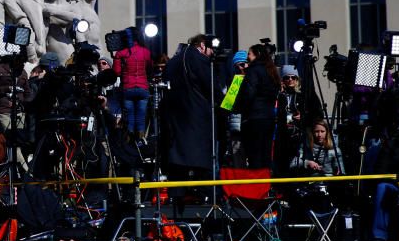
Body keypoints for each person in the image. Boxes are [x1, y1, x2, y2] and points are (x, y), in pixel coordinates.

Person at [163, 35, 223, 186]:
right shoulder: (199, 60)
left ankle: (178, 198)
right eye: (211, 50)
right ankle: (206, 197)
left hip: (174, 120)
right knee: (202, 163)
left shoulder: (174, 60)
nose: (211, 54)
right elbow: (212, 87)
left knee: (178, 166)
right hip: (197, 119)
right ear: (202, 45)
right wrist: (225, 104)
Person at [236, 43, 280, 170]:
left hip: (254, 119)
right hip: (268, 118)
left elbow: (249, 93)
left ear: (257, 55)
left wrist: (239, 107)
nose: (247, 57)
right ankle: (266, 185)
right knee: (266, 155)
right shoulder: (272, 72)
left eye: (249, 54)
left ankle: (257, 187)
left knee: (254, 156)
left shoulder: (254, 71)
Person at [114, 29, 153, 140]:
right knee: (141, 116)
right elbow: (150, 68)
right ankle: (140, 140)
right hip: (143, 87)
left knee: (129, 117)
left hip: (128, 87)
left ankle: (129, 142)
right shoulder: (146, 51)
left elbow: (116, 72)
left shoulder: (121, 53)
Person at [275, 64, 304, 176]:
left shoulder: (301, 95)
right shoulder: (280, 95)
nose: (290, 80)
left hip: (298, 134)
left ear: (297, 79)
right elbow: (278, 113)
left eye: (293, 77)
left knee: (297, 164)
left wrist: (303, 116)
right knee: (282, 166)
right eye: (287, 77)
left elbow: (311, 112)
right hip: (283, 135)